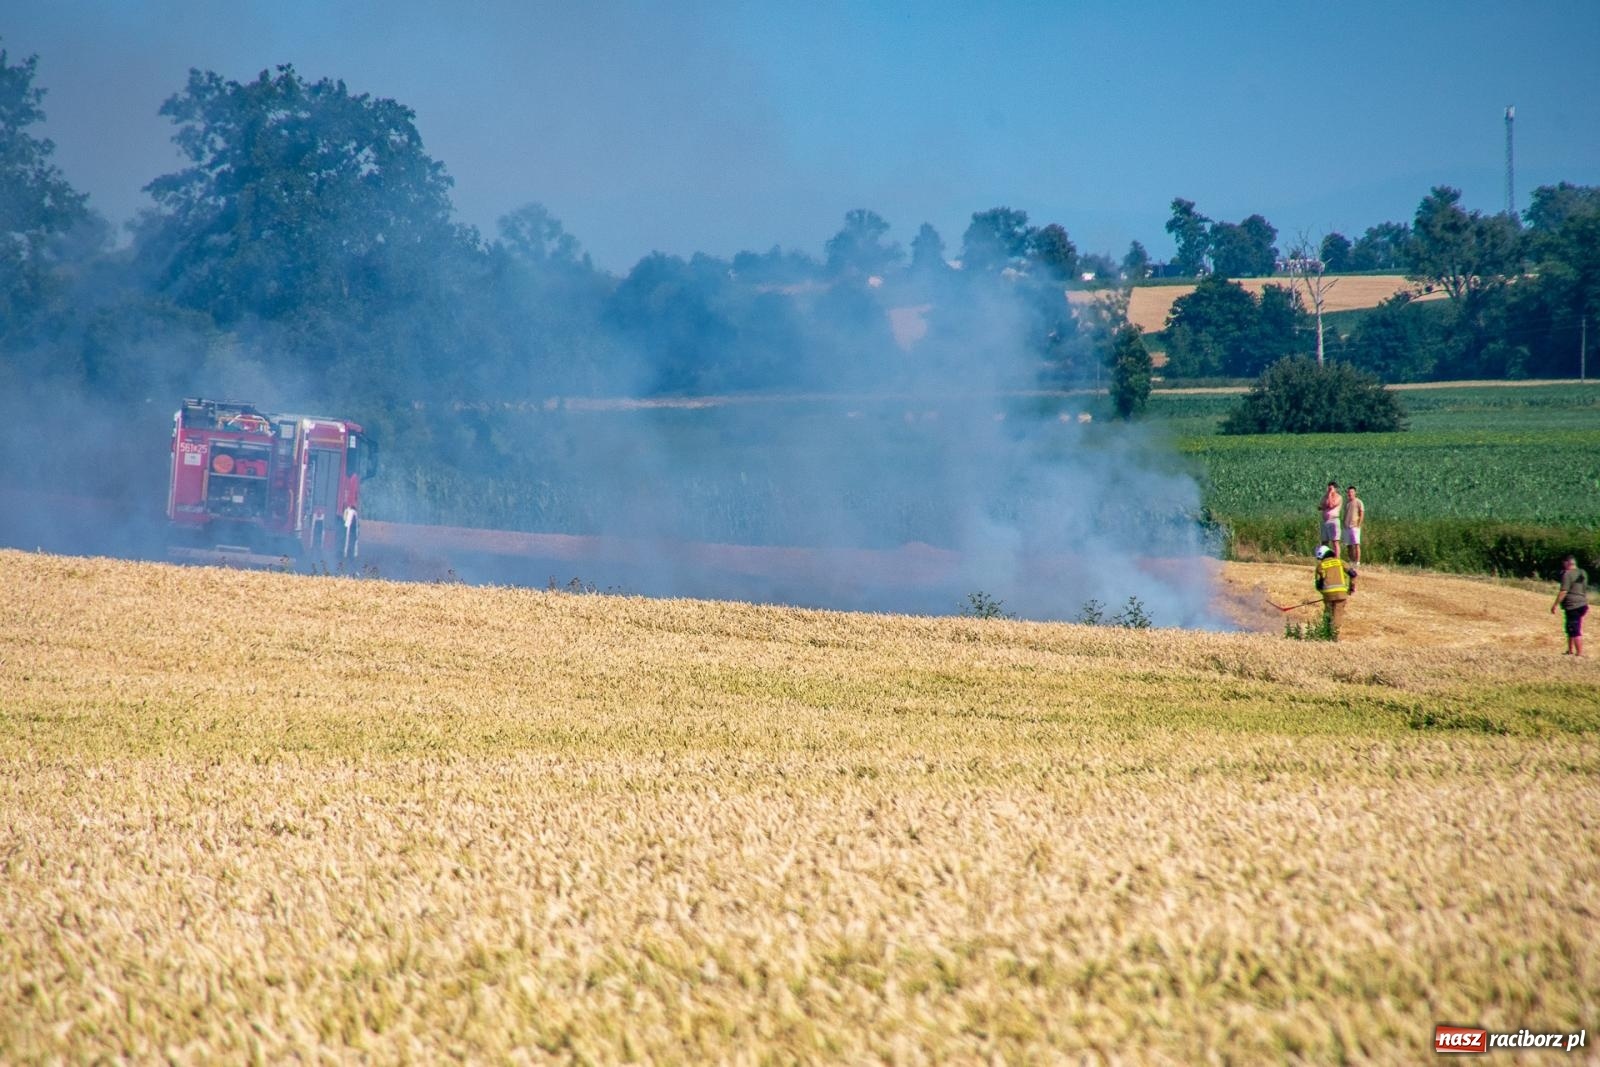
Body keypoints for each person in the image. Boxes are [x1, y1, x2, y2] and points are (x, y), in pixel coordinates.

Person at [1314, 543, 1355, 636]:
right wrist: (1351, 588)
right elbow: (1353, 574)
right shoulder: (1340, 562)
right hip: (1341, 594)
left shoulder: (1320, 566)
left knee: (1328, 613)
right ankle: (1333, 634)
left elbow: (1318, 585)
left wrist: (1324, 593)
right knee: (1337, 614)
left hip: (1328, 594)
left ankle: (1325, 632)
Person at [1550, 554, 1588, 656]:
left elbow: (1563, 591)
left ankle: (1579, 654)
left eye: (1564, 563)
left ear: (1567, 563)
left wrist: (1555, 605)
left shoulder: (1567, 574)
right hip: (1583, 604)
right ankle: (1570, 651)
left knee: (1574, 629)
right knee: (1570, 627)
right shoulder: (1583, 573)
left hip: (1573, 605)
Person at [1342, 485, 1365, 565]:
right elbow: (1345, 514)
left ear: (1355, 493)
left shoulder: (1359, 502)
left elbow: (1362, 513)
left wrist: (1359, 524)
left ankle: (1357, 562)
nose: (1350, 493)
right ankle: (1351, 561)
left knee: (1356, 544)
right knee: (1348, 545)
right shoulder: (1347, 503)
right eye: (1348, 492)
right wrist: (1344, 523)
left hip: (1355, 526)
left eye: (1351, 492)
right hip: (1346, 526)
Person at [1320, 482, 1342, 557]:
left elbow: (1331, 505)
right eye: (1328, 488)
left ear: (1335, 489)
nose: (1329, 490)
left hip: (1333, 521)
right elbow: (1321, 506)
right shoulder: (1325, 497)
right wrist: (1325, 503)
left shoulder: (1338, 497)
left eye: (1331, 488)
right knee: (1324, 541)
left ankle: (1337, 559)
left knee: (1335, 541)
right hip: (1325, 521)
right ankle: (1325, 558)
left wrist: (1329, 495)